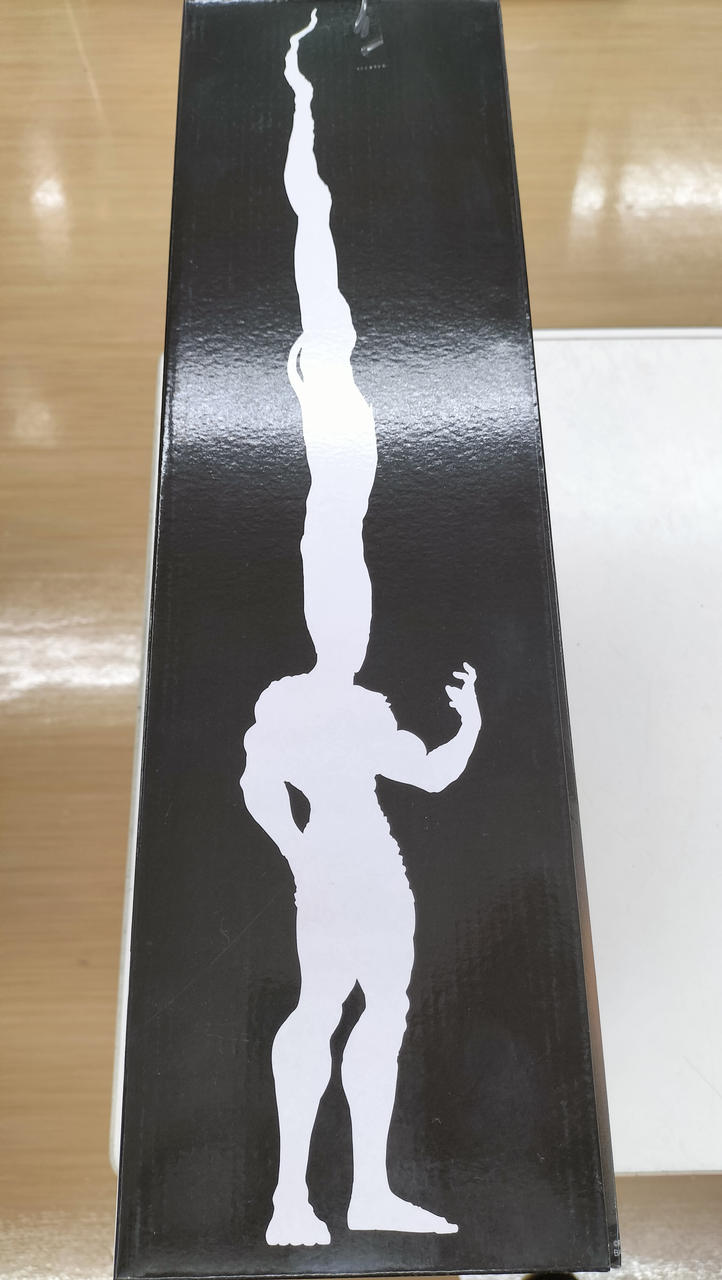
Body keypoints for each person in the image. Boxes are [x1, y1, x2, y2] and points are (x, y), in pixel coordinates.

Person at [240, 10, 482, 1246]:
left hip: (370, 862)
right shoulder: (302, 690)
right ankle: (292, 1192)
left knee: (372, 1008)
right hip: (343, 860)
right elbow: (256, 783)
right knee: (323, 1007)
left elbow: (426, 776)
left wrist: (467, 721)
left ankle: (362, 1186)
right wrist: (295, 852)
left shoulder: (351, 702)